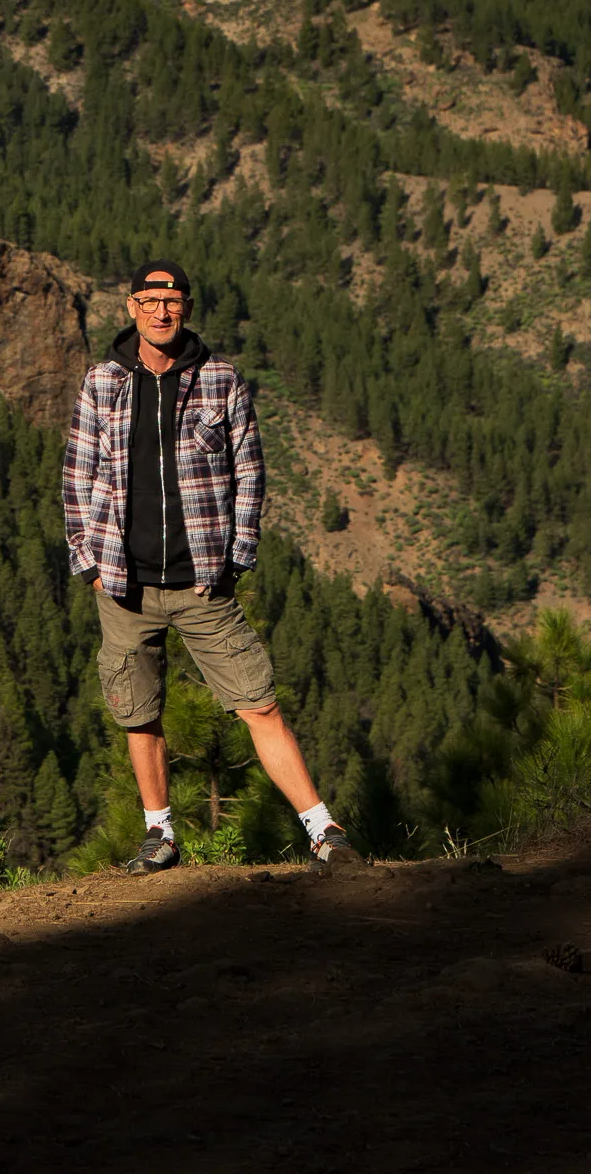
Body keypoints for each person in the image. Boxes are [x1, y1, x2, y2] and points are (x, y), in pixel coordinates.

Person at [62, 260, 363, 874]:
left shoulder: (220, 380)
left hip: (203, 582)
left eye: (171, 302)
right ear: (131, 308)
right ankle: (160, 835)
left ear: (187, 309)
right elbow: (77, 473)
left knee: (259, 703)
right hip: (123, 584)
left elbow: (249, 472)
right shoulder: (102, 383)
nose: (160, 312)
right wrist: (88, 561)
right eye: (149, 301)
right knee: (139, 714)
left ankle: (322, 829)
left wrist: (238, 553)